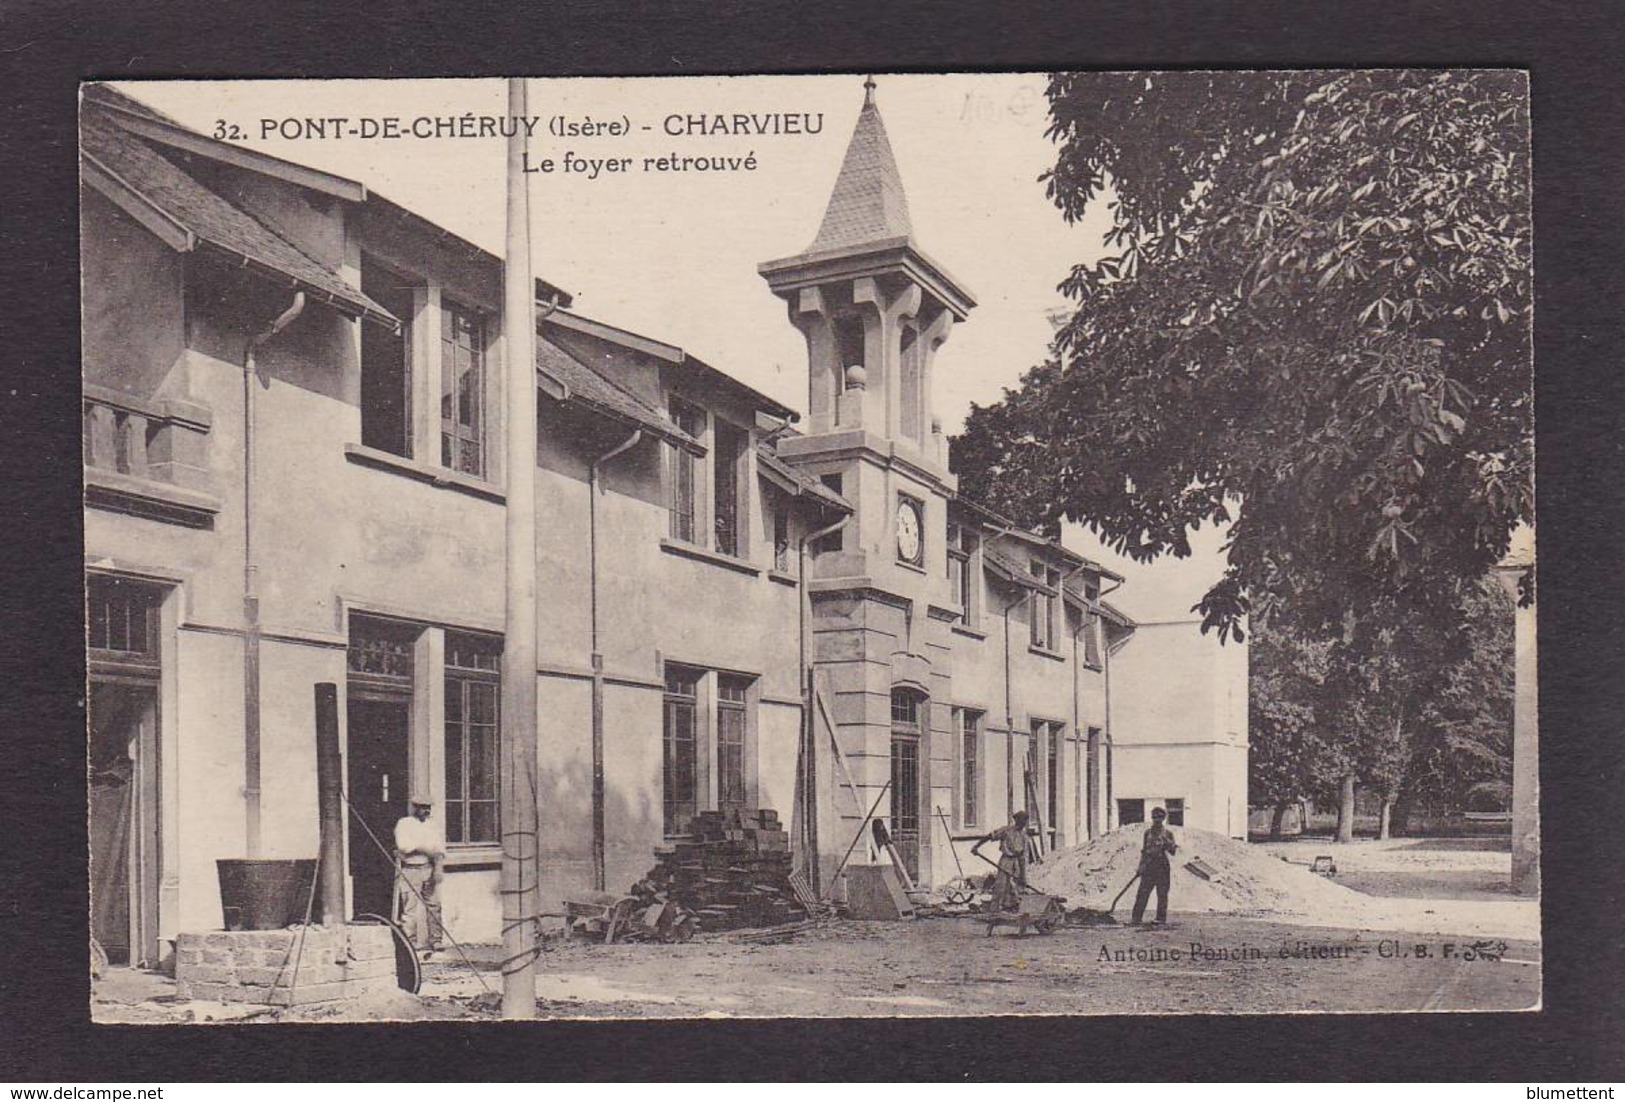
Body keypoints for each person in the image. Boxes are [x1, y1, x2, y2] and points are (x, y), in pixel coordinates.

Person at [394, 794, 445, 958]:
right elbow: (404, 846)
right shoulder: (405, 824)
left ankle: (436, 940)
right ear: (415, 808)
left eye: (428, 808)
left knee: (435, 906)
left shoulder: (433, 825)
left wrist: (438, 869)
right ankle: (410, 942)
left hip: (428, 868)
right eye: (422, 807)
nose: (426, 811)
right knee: (410, 909)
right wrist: (425, 848)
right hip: (410, 869)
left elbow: (439, 849)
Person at [972, 810, 1031, 912]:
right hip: (1006, 861)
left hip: (1017, 862)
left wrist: (1022, 875)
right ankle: (995, 909)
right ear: (1016, 820)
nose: (1024, 824)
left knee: (1016, 886)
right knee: (1001, 885)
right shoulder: (1006, 831)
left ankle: (1011, 907)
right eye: (1022, 821)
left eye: (1025, 821)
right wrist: (976, 846)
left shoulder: (1024, 837)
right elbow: (990, 836)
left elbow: (1022, 857)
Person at [1131, 806, 1178, 925]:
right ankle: (1136, 918)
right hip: (1149, 865)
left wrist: (1166, 841)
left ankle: (1160, 919)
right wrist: (1141, 867)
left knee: (1162, 893)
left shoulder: (1168, 833)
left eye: (1160, 817)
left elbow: (1173, 852)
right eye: (1155, 817)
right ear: (1152, 818)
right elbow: (1144, 850)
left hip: (1162, 865)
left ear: (1164, 818)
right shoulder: (1147, 833)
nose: (1157, 819)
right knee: (1142, 892)